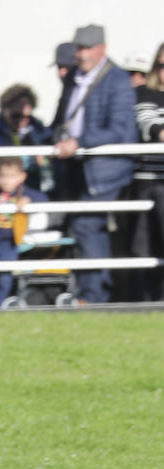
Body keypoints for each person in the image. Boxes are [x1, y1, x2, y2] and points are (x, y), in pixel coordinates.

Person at [51, 24, 138, 304]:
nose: (82, 54)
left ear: (102, 48)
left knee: (89, 225)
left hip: (105, 169)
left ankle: (93, 295)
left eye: (87, 48)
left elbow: (122, 130)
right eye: (79, 48)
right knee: (82, 226)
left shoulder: (117, 80)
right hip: (76, 166)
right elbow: (62, 119)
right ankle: (91, 292)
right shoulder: (73, 78)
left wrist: (80, 141)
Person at [0, 157, 48, 306]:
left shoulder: (24, 192)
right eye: (3, 176)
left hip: (9, 242)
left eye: (12, 176)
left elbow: (43, 198)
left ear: (22, 177)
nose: (6, 181)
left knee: (4, 277)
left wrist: (28, 200)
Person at [127, 43, 164, 301]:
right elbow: (148, 124)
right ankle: (146, 303)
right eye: (162, 65)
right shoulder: (146, 95)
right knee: (144, 248)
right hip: (149, 182)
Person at [0, 84, 54, 192]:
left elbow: (49, 148)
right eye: (16, 116)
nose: (22, 121)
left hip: (31, 186)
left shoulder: (37, 128)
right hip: (1, 187)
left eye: (27, 117)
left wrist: (44, 159)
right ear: (4, 110)